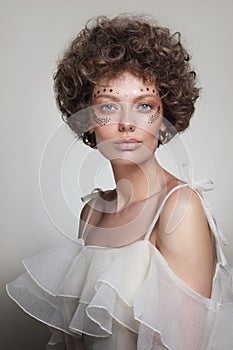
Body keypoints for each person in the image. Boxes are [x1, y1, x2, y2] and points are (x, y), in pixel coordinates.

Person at [6, 14, 233, 350]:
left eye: (144, 106)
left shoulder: (178, 209)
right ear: (88, 120)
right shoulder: (91, 213)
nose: (127, 123)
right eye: (109, 106)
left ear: (164, 118)